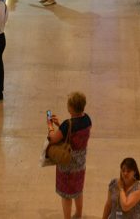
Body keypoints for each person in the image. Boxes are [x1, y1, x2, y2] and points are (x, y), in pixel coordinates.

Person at [48, 91, 92, 219]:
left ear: (71, 108)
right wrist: (60, 125)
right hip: (80, 163)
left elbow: (53, 139)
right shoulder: (87, 119)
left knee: (66, 195)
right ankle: (78, 214)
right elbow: (74, 133)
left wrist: (50, 126)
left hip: (68, 164)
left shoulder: (68, 124)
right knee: (78, 191)